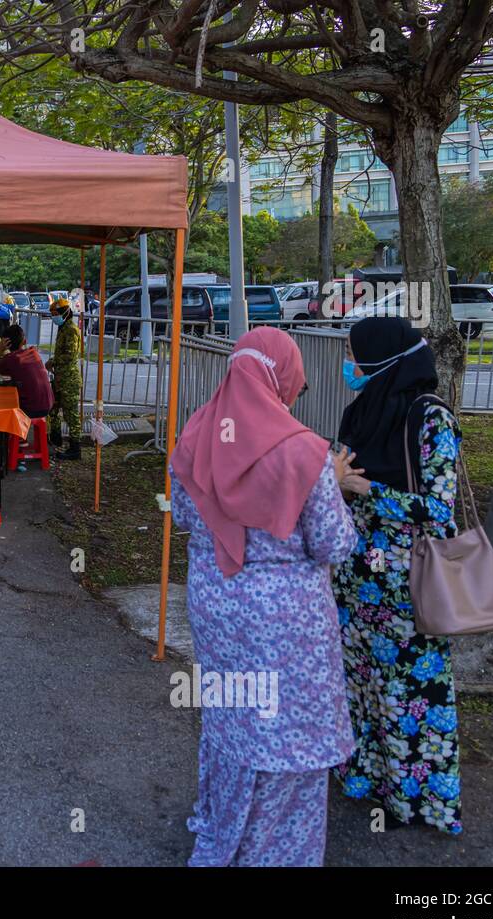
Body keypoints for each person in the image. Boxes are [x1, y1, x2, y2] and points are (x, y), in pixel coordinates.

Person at [169, 327, 360, 866]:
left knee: (233, 720)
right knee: (288, 735)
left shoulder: (198, 432)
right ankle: (274, 851)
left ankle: (224, 826)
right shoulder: (305, 453)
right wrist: (337, 484)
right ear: (283, 376)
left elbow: (184, 515)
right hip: (286, 622)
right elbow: (332, 543)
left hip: (216, 604)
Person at [331, 315, 464, 835]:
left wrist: (366, 492)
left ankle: (418, 803)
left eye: (358, 357)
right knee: (361, 688)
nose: (353, 367)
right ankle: (365, 781)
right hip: (356, 582)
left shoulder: (432, 420)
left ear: (386, 360)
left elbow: (438, 509)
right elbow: (343, 479)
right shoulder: (361, 410)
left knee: (410, 696)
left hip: (409, 587)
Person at [46, 297, 83, 460]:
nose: (54, 317)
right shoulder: (63, 328)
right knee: (52, 409)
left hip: (69, 380)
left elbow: (70, 355)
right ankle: (56, 439)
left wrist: (53, 361)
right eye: (52, 314)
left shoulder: (71, 330)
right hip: (60, 378)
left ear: (65, 312)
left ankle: (75, 448)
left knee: (71, 414)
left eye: (56, 314)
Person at [0, 325, 53, 419]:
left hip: (31, 409)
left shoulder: (10, 359)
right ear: (24, 341)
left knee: (1, 402)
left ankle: (4, 432)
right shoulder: (33, 352)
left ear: (5, 344)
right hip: (48, 405)